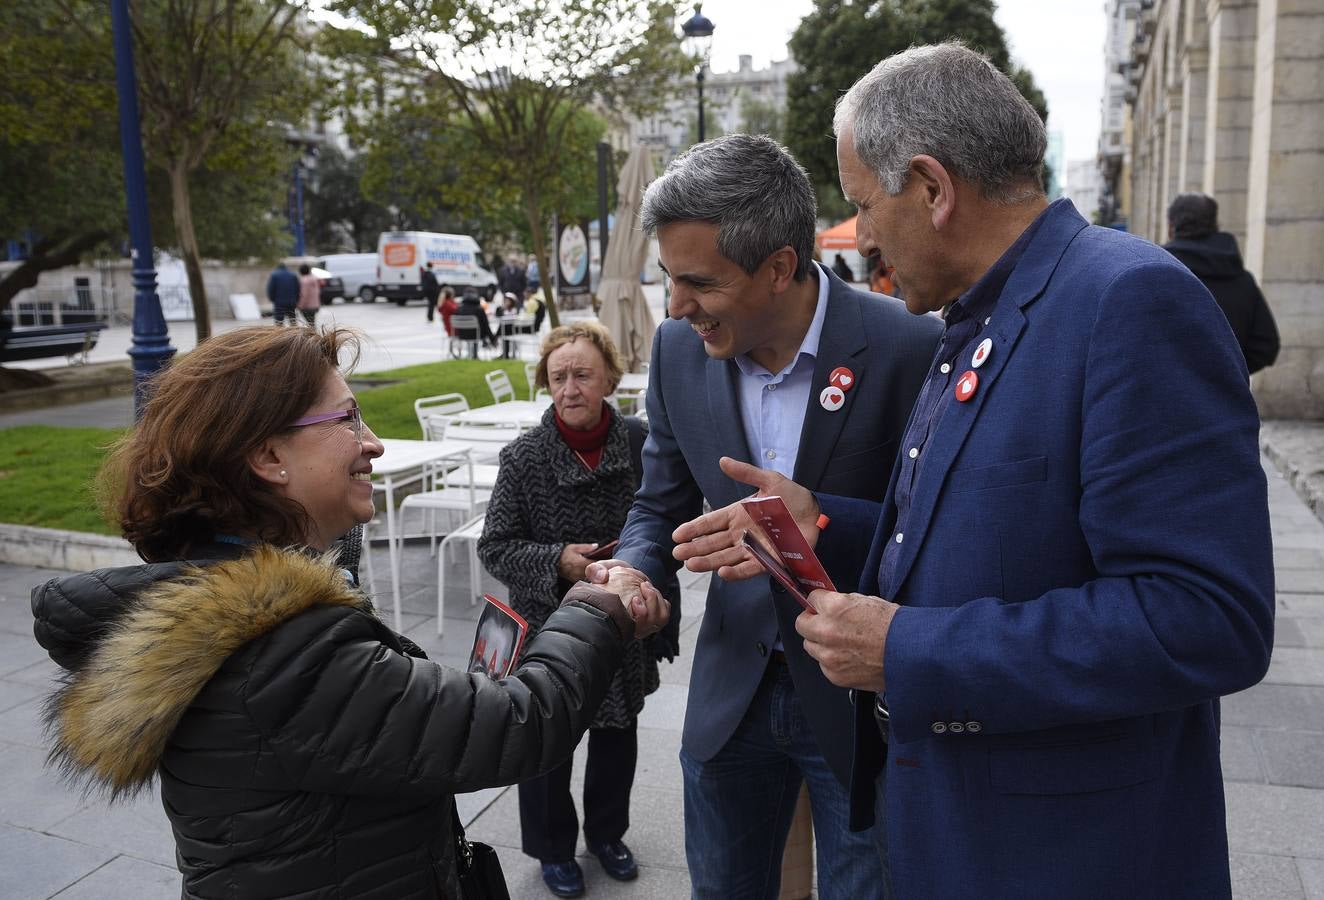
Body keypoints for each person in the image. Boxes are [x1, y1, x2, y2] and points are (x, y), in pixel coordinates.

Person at [665, 44, 1274, 898]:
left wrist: (906, 648)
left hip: (1059, 853)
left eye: (863, 206)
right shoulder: (982, 313)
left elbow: (1207, 617)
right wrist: (823, 524)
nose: (863, 237)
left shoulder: (1126, 301)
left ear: (932, 188)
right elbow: (982, 532)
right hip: (961, 832)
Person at [30, 325, 668, 898]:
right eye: (348, 420)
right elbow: (519, 724)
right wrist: (595, 604)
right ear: (269, 458)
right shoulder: (284, 655)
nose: (375, 443)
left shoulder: (242, 611)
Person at [592, 134, 941, 900]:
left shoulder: (913, 345)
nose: (676, 308)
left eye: (697, 283)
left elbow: (943, 526)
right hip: (731, 698)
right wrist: (635, 570)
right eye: (666, 280)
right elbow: (658, 502)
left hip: (865, 705)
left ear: (779, 268)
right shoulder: (679, 352)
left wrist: (820, 519)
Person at [478, 320, 681, 898]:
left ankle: (608, 836)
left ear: (610, 380)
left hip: (624, 625)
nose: (570, 387)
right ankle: (550, 849)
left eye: (583, 374)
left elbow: (667, 526)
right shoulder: (524, 458)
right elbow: (494, 546)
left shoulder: (642, 444)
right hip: (549, 628)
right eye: (558, 375)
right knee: (545, 745)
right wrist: (556, 563)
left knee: (618, 737)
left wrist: (661, 615)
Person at [1164, 192, 1281, 373]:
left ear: (1171, 227)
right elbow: (1265, 346)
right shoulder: (1243, 281)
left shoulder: (1157, 274)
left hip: (1164, 393)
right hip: (1224, 397)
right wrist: (1227, 373)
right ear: (1216, 226)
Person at [455, 285, 495, 355]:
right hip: (476, 335)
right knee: (479, 327)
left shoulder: (459, 309)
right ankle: (475, 355)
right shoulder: (479, 309)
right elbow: (486, 325)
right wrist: (492, 339)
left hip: (461, 334)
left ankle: (470, 354)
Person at [265, 260, 299, 326]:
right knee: (293, 322)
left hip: (279, 303)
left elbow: (271, 289)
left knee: (279, 323)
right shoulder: (293, 275)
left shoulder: (274, 275)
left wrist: (272, 299)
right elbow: (297, 289)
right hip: (291, 302)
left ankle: (281, 336)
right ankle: (295, 335)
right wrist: (296, 300)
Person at [296, 262, 321, 327]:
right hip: (315, 305)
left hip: (307, 306)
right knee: (312, 323)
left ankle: (313, 336)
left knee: (310, 324)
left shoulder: (304, 281)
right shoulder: (314, 278)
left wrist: (300, 305)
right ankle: (314, 335)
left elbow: (304, 295)